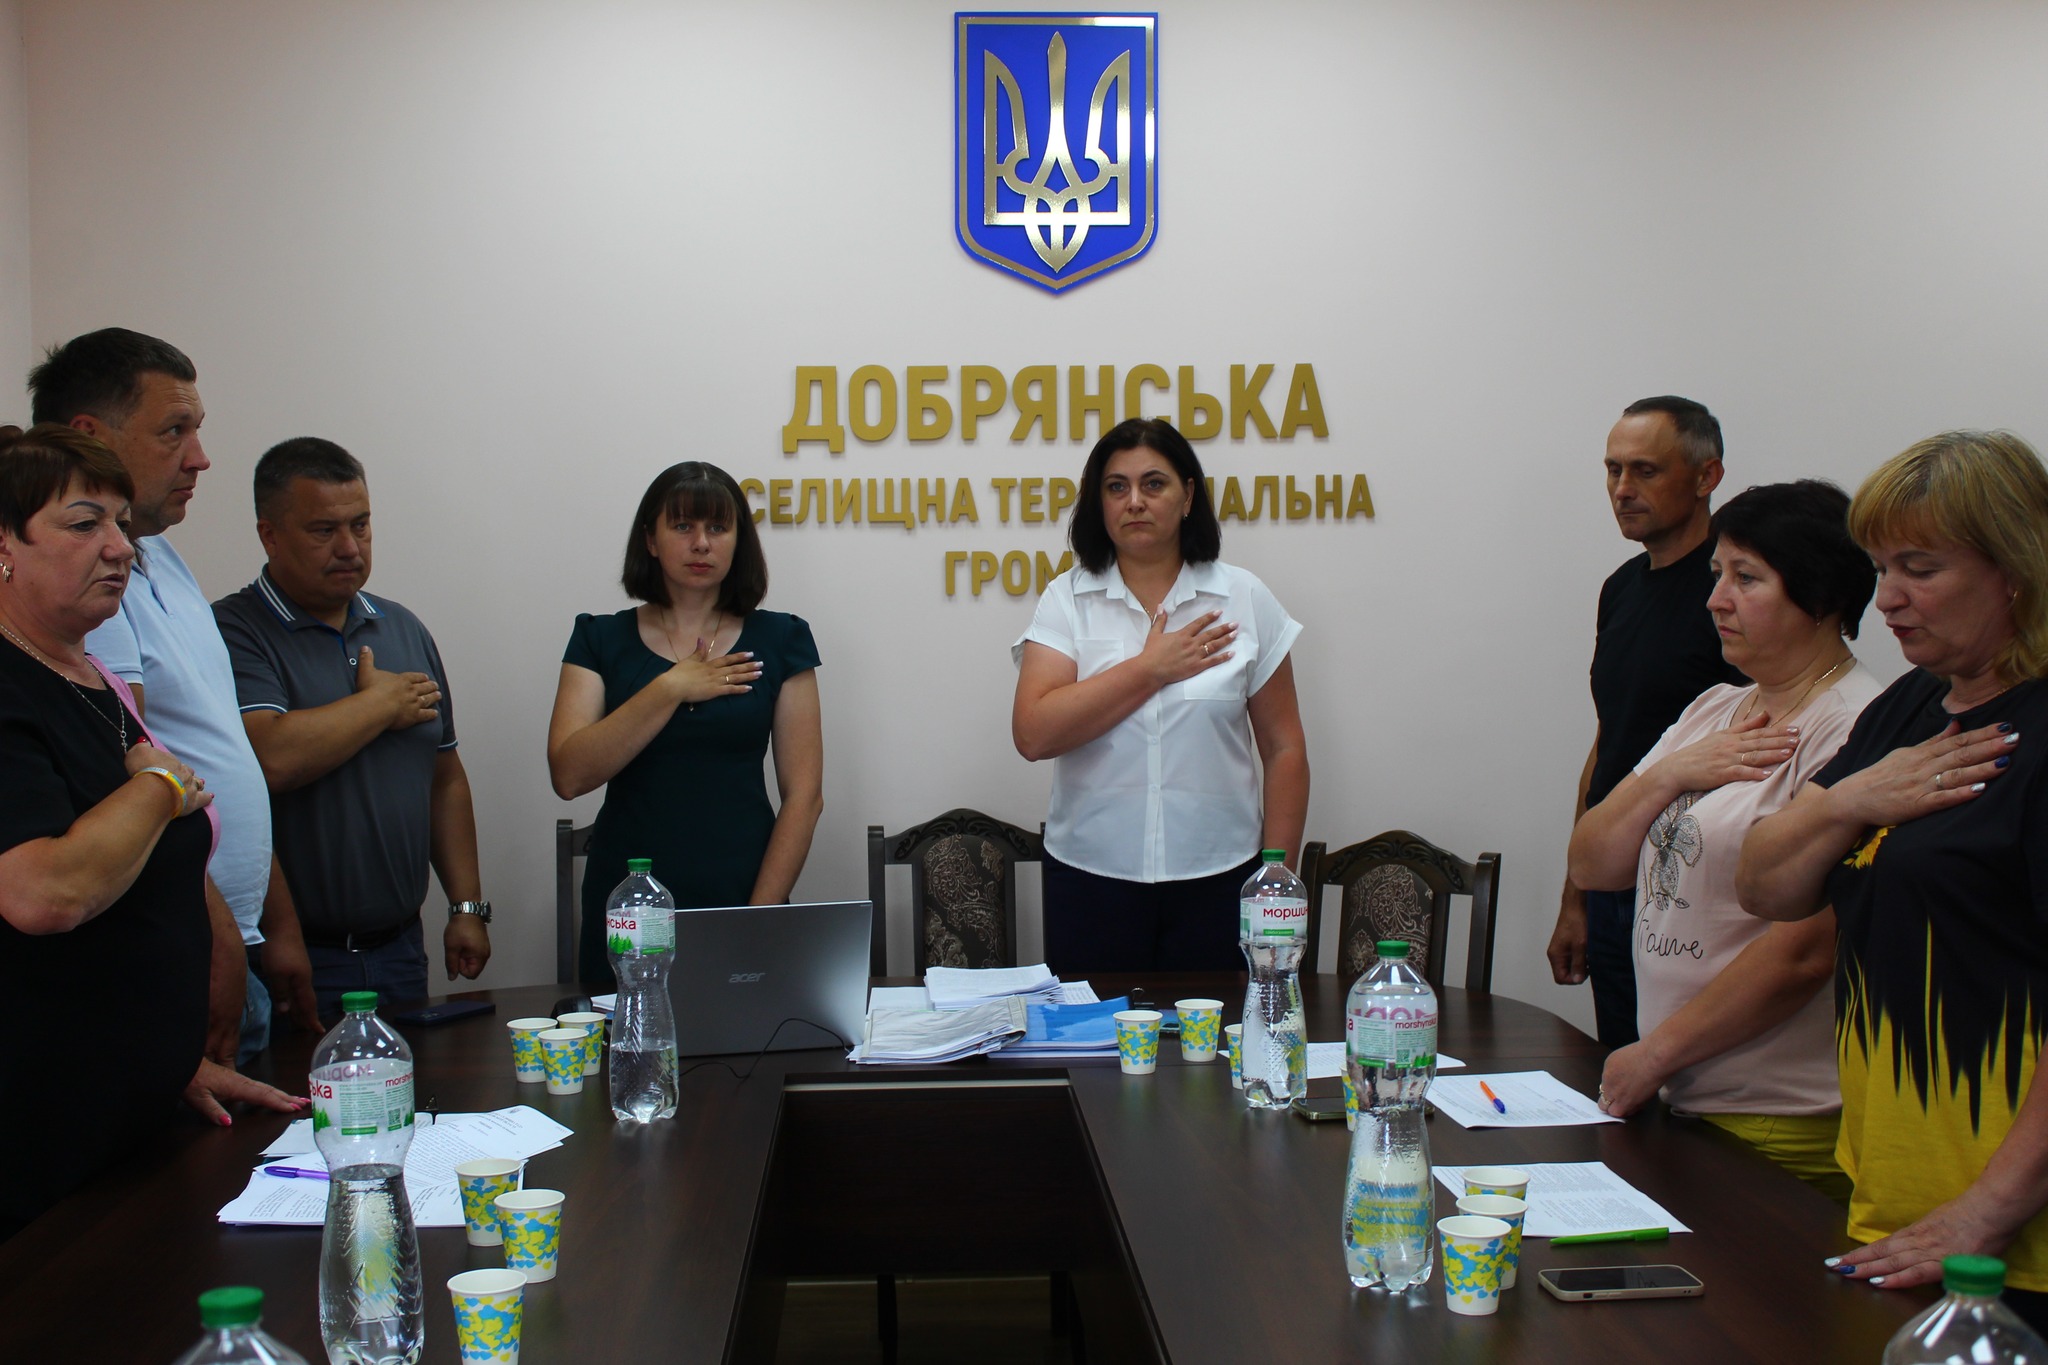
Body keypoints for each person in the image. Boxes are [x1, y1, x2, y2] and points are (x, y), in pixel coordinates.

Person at [1738, 431, 2048, 1318]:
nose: (1888, 600)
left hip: (2009, 1242)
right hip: (1896, 1199)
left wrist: (1987, 1209)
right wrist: (1852, 799)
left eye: (1920, 568)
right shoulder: (1910, 706)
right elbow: (1766, 884)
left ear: (2014, 569)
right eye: (1881, 568)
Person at [0, 425, 301, 1240]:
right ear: (4, 546)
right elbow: (44, 892)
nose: (119, 548)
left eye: (122, 525)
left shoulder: (89, 674)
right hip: (40, 1142)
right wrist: (161, 783)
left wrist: (164, 1065)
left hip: (131, 1109)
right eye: (84, 523)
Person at [1566, 481, 1878, 1197]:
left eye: (1746, 578)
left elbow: (1805, 951)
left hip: (1774, 1111)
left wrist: (1653, 1055)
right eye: (1717, 575)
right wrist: (1672, 772)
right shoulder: (1715, 706)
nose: (1716, 600)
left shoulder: (1858, 722)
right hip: (1681, 1091)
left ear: (1820, 594)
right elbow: (1592, 862)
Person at [29, 328, 318, 1058]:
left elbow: (218, 759)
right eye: (173, 431)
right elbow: (132, 783)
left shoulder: (159, 555)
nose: (199, 457)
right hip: (180, 946)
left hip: (230, 937)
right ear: (90, 435)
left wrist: (275, 923)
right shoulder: (89, 591)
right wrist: (216, 935)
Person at [1012, 416, 1308, 974]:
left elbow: (1284, 748)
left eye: (1154, 483)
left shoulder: (1243, 598)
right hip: (1090, 880)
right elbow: (1033, 733)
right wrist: (1149, 669)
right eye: (1116, 487)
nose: (1135, 501)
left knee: (1219, 1031)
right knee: (1098, 1033)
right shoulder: (1066, 600)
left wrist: (1276, 884)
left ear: (1188, 495)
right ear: (1099, 503)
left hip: (1222, 879)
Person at [213, 438, 492, 1017]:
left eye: (360, 525)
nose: (349, 547)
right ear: (269, 535)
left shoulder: (402, 628)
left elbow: (445, 778)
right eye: (324, 531)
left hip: (401, 946)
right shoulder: (232, 630)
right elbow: (270, 758)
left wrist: (466, 907)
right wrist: (380, 706)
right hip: (295, 954)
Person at [547, 461, 823, 990]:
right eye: (682, 526)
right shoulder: (598, 639)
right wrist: (670, 687)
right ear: (650, 540)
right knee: (631, 1039)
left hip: (745, 893)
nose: (701, 543)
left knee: (746, 1036)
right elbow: (570, 775)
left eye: (718, 528)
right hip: (631, 899)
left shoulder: (783, 639)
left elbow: (805, 797)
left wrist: (759, 915)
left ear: (739, 542)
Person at [1547, 396, 1748, 1047]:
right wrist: (1576, 894)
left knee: (1684, 1078)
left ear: (1707, 476)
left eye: (1645, 470)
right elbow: (1611, 739)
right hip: (1614, 876)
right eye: (1613, 470)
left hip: (1695, 881)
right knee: (1619, 1070)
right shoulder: (1621, 588)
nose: (1623, 489)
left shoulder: (1735, 592)